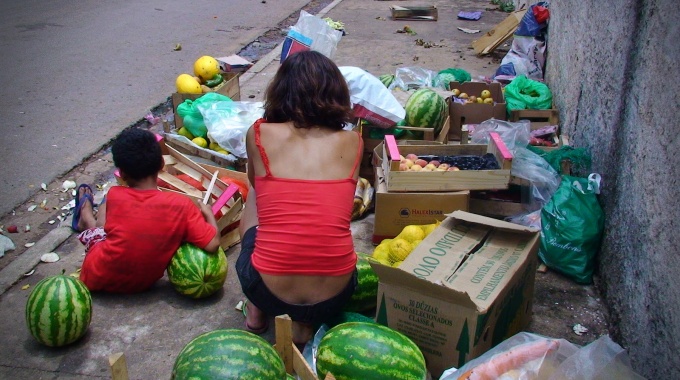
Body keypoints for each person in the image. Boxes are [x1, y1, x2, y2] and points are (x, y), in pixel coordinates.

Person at [236, 50, 363, 347]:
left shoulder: (258, 134)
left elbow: (257, 187)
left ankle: (256, 311)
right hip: (338, 292)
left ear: (281, 92)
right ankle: (304, 327)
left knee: (257, 193)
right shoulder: (355, 142)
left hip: (266, 289)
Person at [72, 128, 221, 293]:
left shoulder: (115, 195)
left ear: (121, 173)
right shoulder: (181, 205)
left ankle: (87, 218)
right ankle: (86, 219)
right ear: (162, 164)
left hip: (94, 277)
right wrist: (208, 214)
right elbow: (213, 244)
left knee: (104, 216)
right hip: (142, 284)